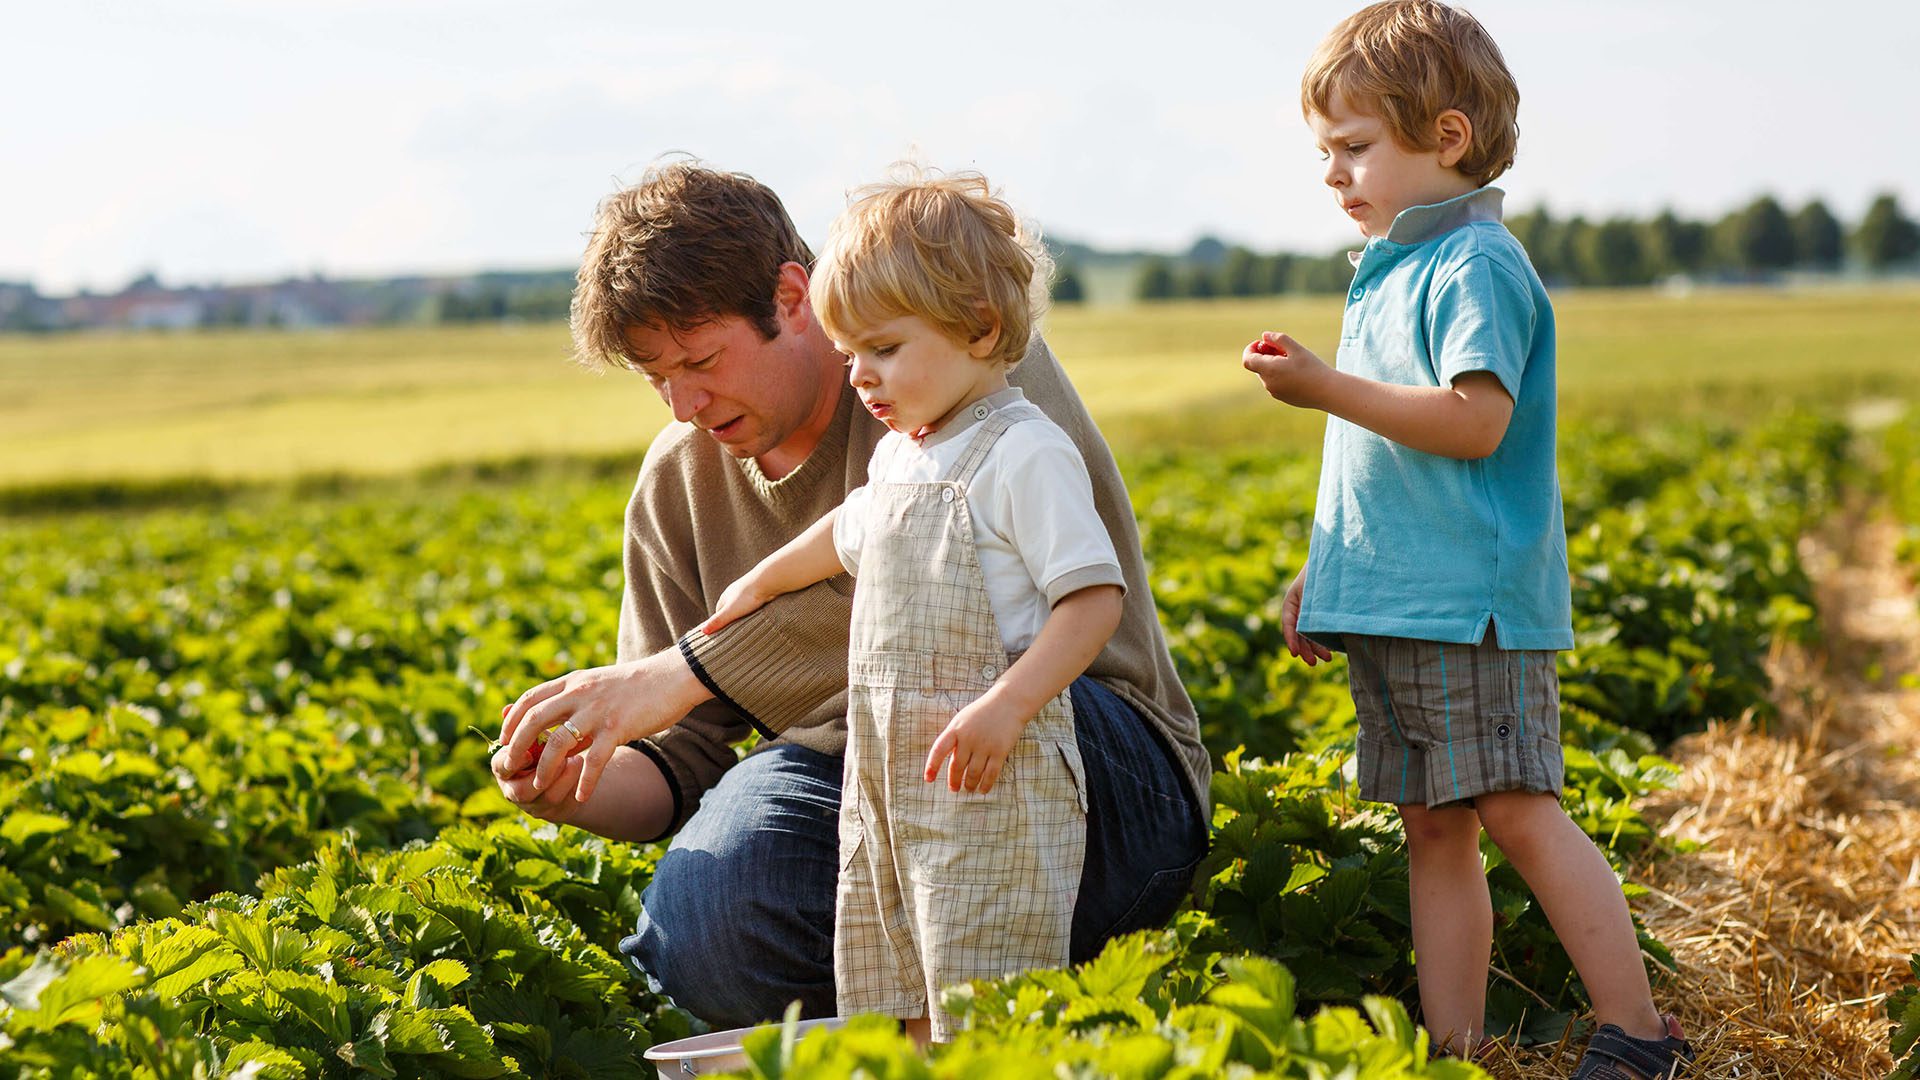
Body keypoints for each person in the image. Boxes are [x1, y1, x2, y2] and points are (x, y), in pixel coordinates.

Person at [489, 160, 1210, 1031]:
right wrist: (577, 785)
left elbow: (938, 565)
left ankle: (1006, 1007)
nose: (683, 404)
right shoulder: (677, 484)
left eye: (702, 360)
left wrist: (686, 670)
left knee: (940, 755)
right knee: (706, 922)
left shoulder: (963, 370)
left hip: (1073, 736)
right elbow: (679, 763)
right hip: (861, 785)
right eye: (656, 378)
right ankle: (915, 1021)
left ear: (793, 298)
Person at [1242, 4, 1693, 1077]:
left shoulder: (1475, 265)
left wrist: (1323, 389)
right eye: (1327, 152)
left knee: (1516, 807)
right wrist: (1330, 573)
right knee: (1432, 828)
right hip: (1400, 599)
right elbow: (1384, 472)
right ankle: (1460, 1051)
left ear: (1445, 139)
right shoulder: (1389, 269)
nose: (1334, 173)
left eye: (1356, 147)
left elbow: (1472, 421)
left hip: (1466, 604)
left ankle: (1639, 1034)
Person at [697, 168, 1124, 1043]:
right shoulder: (904, 456)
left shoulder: (1022, 453)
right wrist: (760, 581)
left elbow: (1091, 601)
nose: (860, 377)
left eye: (883, 349)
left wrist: (1007, 708)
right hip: (890, 772)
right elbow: (848, 532)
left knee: (989, 969)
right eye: (850, 354)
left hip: (991, 772)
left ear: (980, 328)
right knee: (896, 965)